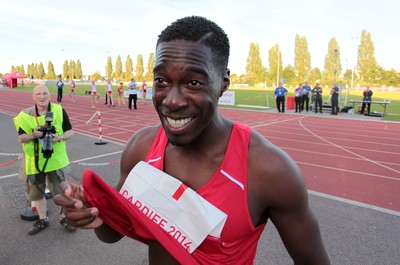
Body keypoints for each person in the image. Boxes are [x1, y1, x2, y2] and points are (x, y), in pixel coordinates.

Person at [54, 16, 330, 264]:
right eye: (161, 80)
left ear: (223, 84)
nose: (172, 101)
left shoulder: (268, 169)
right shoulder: (141, 148)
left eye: (193, 83)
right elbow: (113, 232)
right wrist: (92, 214)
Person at [13, 84, 75, 235]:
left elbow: (70, 132)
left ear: (49, 95)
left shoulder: (59, 110)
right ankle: (43, 219)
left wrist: (59, 138)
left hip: (55, 161)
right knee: (36, 193)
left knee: (60, 192)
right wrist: (34, 135)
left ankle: (64, 217)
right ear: (33, 97)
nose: (42, 97)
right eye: (39, 94)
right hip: (34, 162)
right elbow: (21, 138)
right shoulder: (25, 115)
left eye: (45, 93)